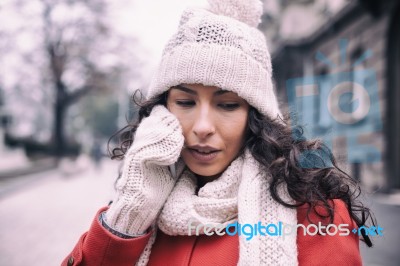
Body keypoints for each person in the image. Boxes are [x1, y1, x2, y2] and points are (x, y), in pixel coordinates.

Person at [63, 0, 375, 265]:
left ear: (256, 116)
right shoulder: (138, 205)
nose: (202, 126)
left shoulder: (314, 211)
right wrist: (130, 214)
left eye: (227, 105)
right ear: (161, 110)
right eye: (185, 102)